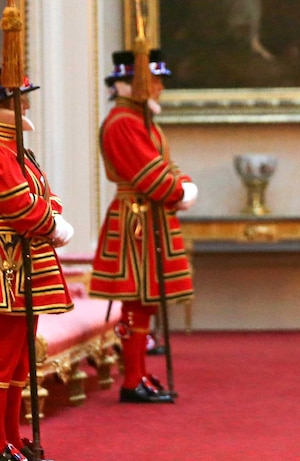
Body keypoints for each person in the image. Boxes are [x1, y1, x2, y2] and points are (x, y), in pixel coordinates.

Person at [89, 49, 198, 404]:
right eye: (155, 80)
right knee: (136, 300)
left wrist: (181, 183)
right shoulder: (123, 122)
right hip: (136, 218)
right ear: (135, 83)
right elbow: (151, 177)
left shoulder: (139, 120)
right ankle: (131, 378)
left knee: (144, 302)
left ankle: (137, 374)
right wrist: (179, 190)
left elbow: (165, 166)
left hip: (148, 216)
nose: (161, 87)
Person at [0, 75, 75, 460]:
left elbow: (42, 194)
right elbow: (18, 205)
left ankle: (11, 437)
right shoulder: (0, 148)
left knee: (18, 359)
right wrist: (50, 223)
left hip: (23, 263)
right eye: (20, 99)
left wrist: (50, 213)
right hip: (6, 266)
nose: (26, 106)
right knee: (3, 356)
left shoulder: (16, 147)